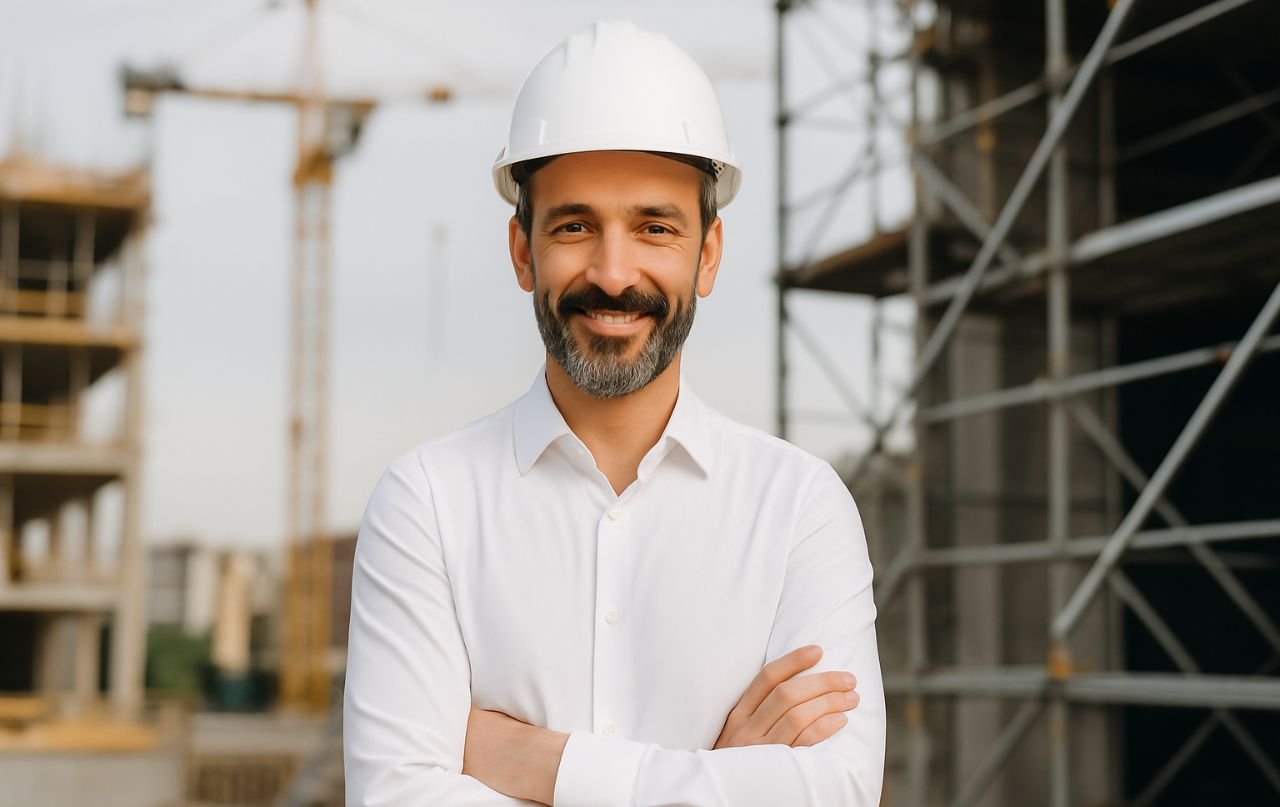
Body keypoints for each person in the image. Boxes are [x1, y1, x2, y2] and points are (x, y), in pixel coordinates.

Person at [343, 20, 885, 806]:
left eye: (654, 227)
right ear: (523, 251)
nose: (612, 271)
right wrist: (720, 774)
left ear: (708, 254)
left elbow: (833, 794)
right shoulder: (425, 503)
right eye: (574, 226)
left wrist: (537, 763)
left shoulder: (801, 508)